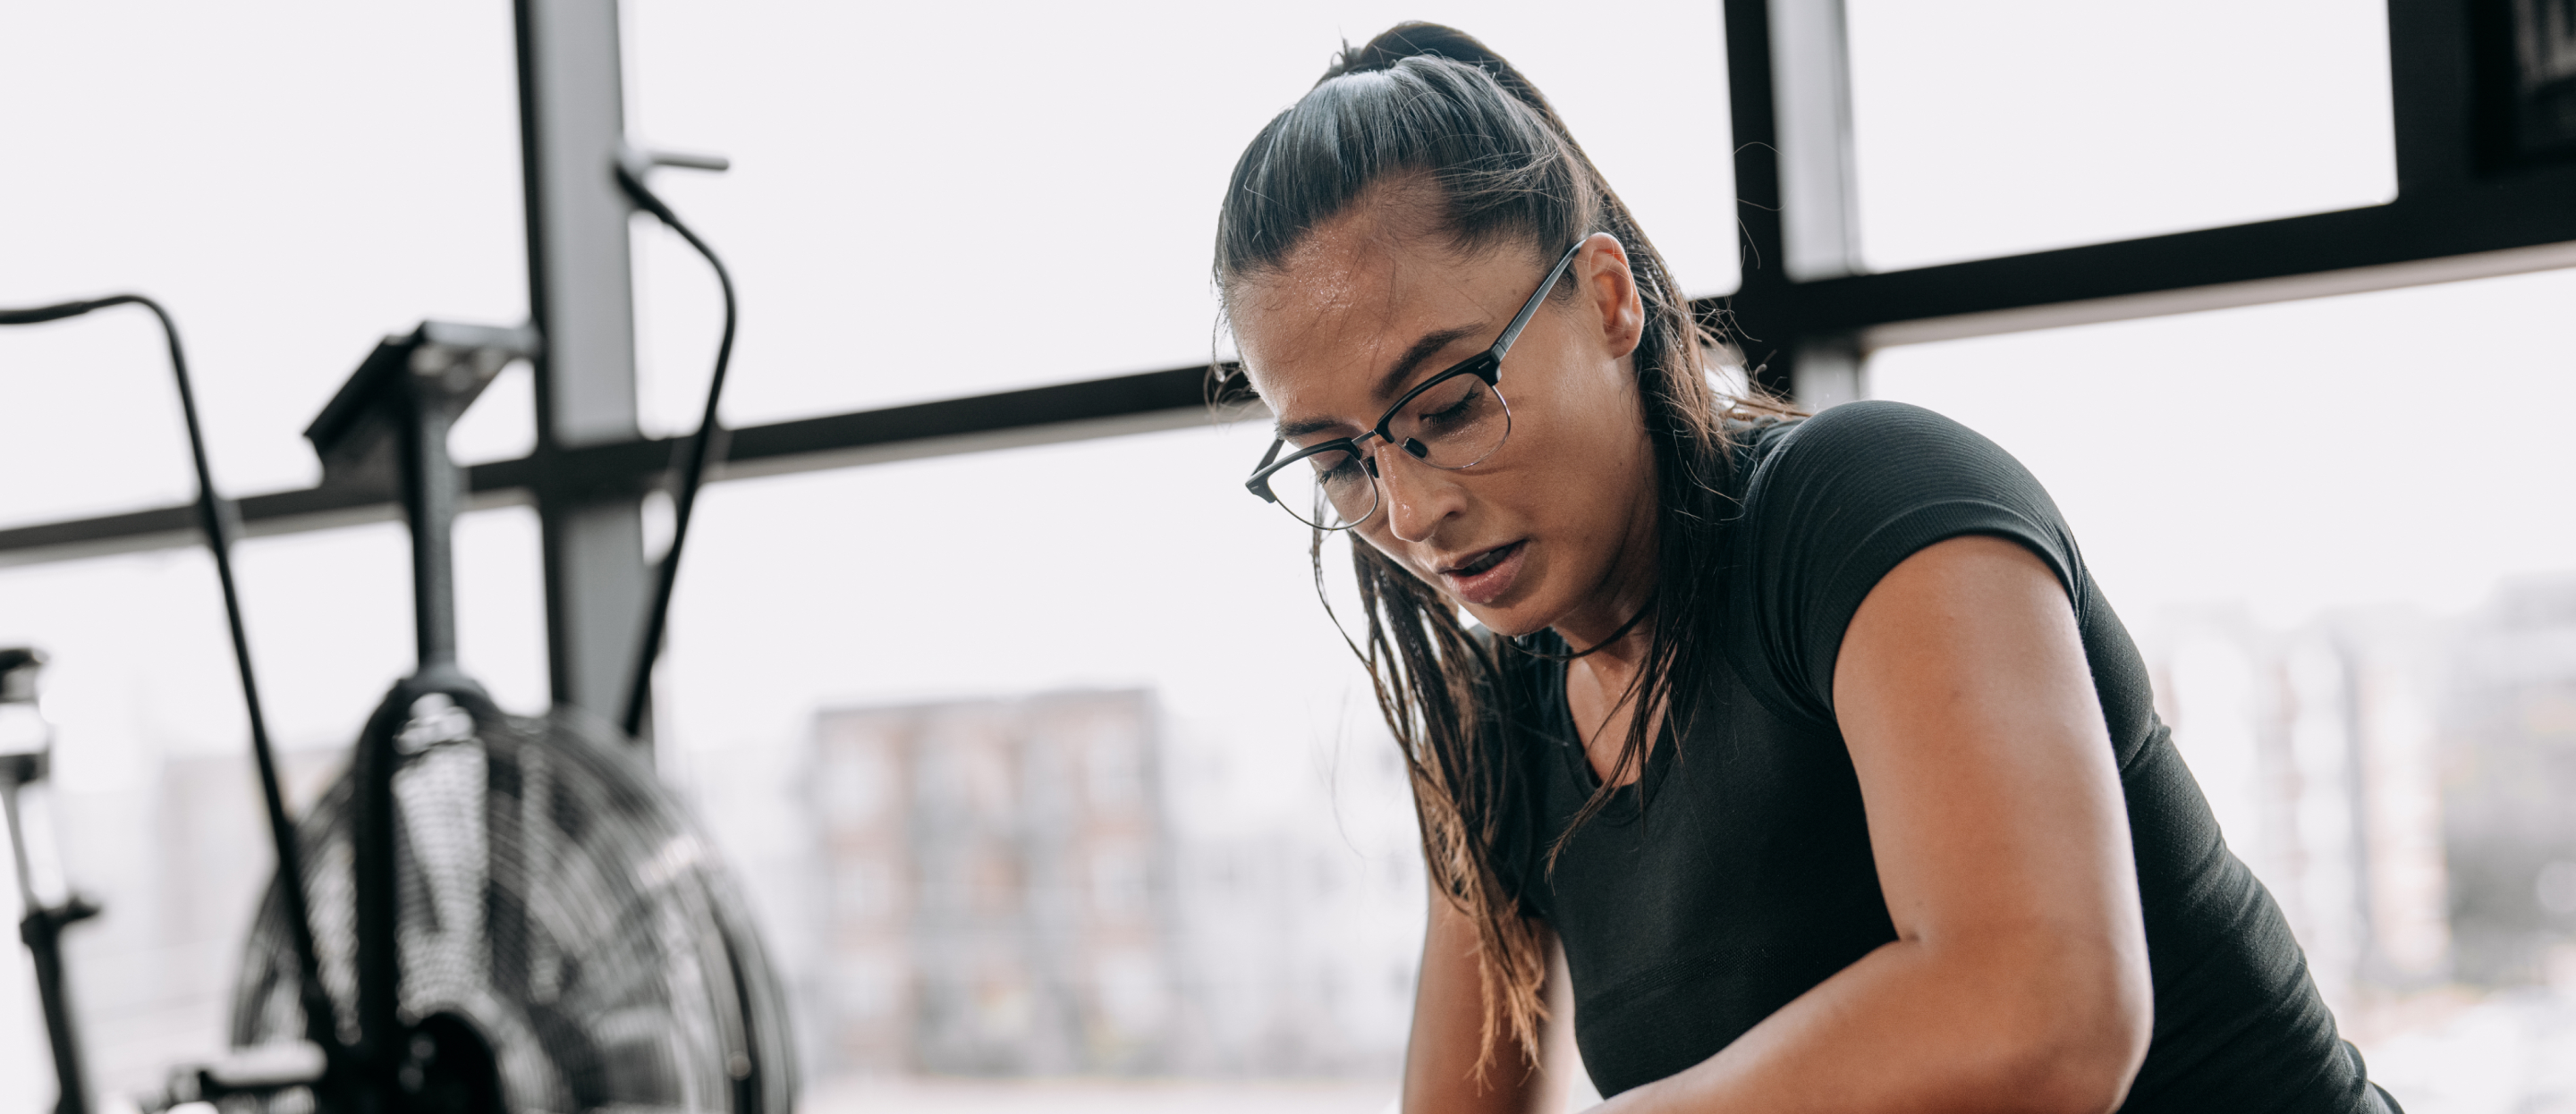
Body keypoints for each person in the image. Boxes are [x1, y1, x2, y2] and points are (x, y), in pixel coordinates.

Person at [1214, 22, 2400, 1114]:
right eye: (1338, 460)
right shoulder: (1496, 735)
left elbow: (2046, 1015)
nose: (1409, 509)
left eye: (1450, 403)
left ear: (1607, 299)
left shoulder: (1865, 501)